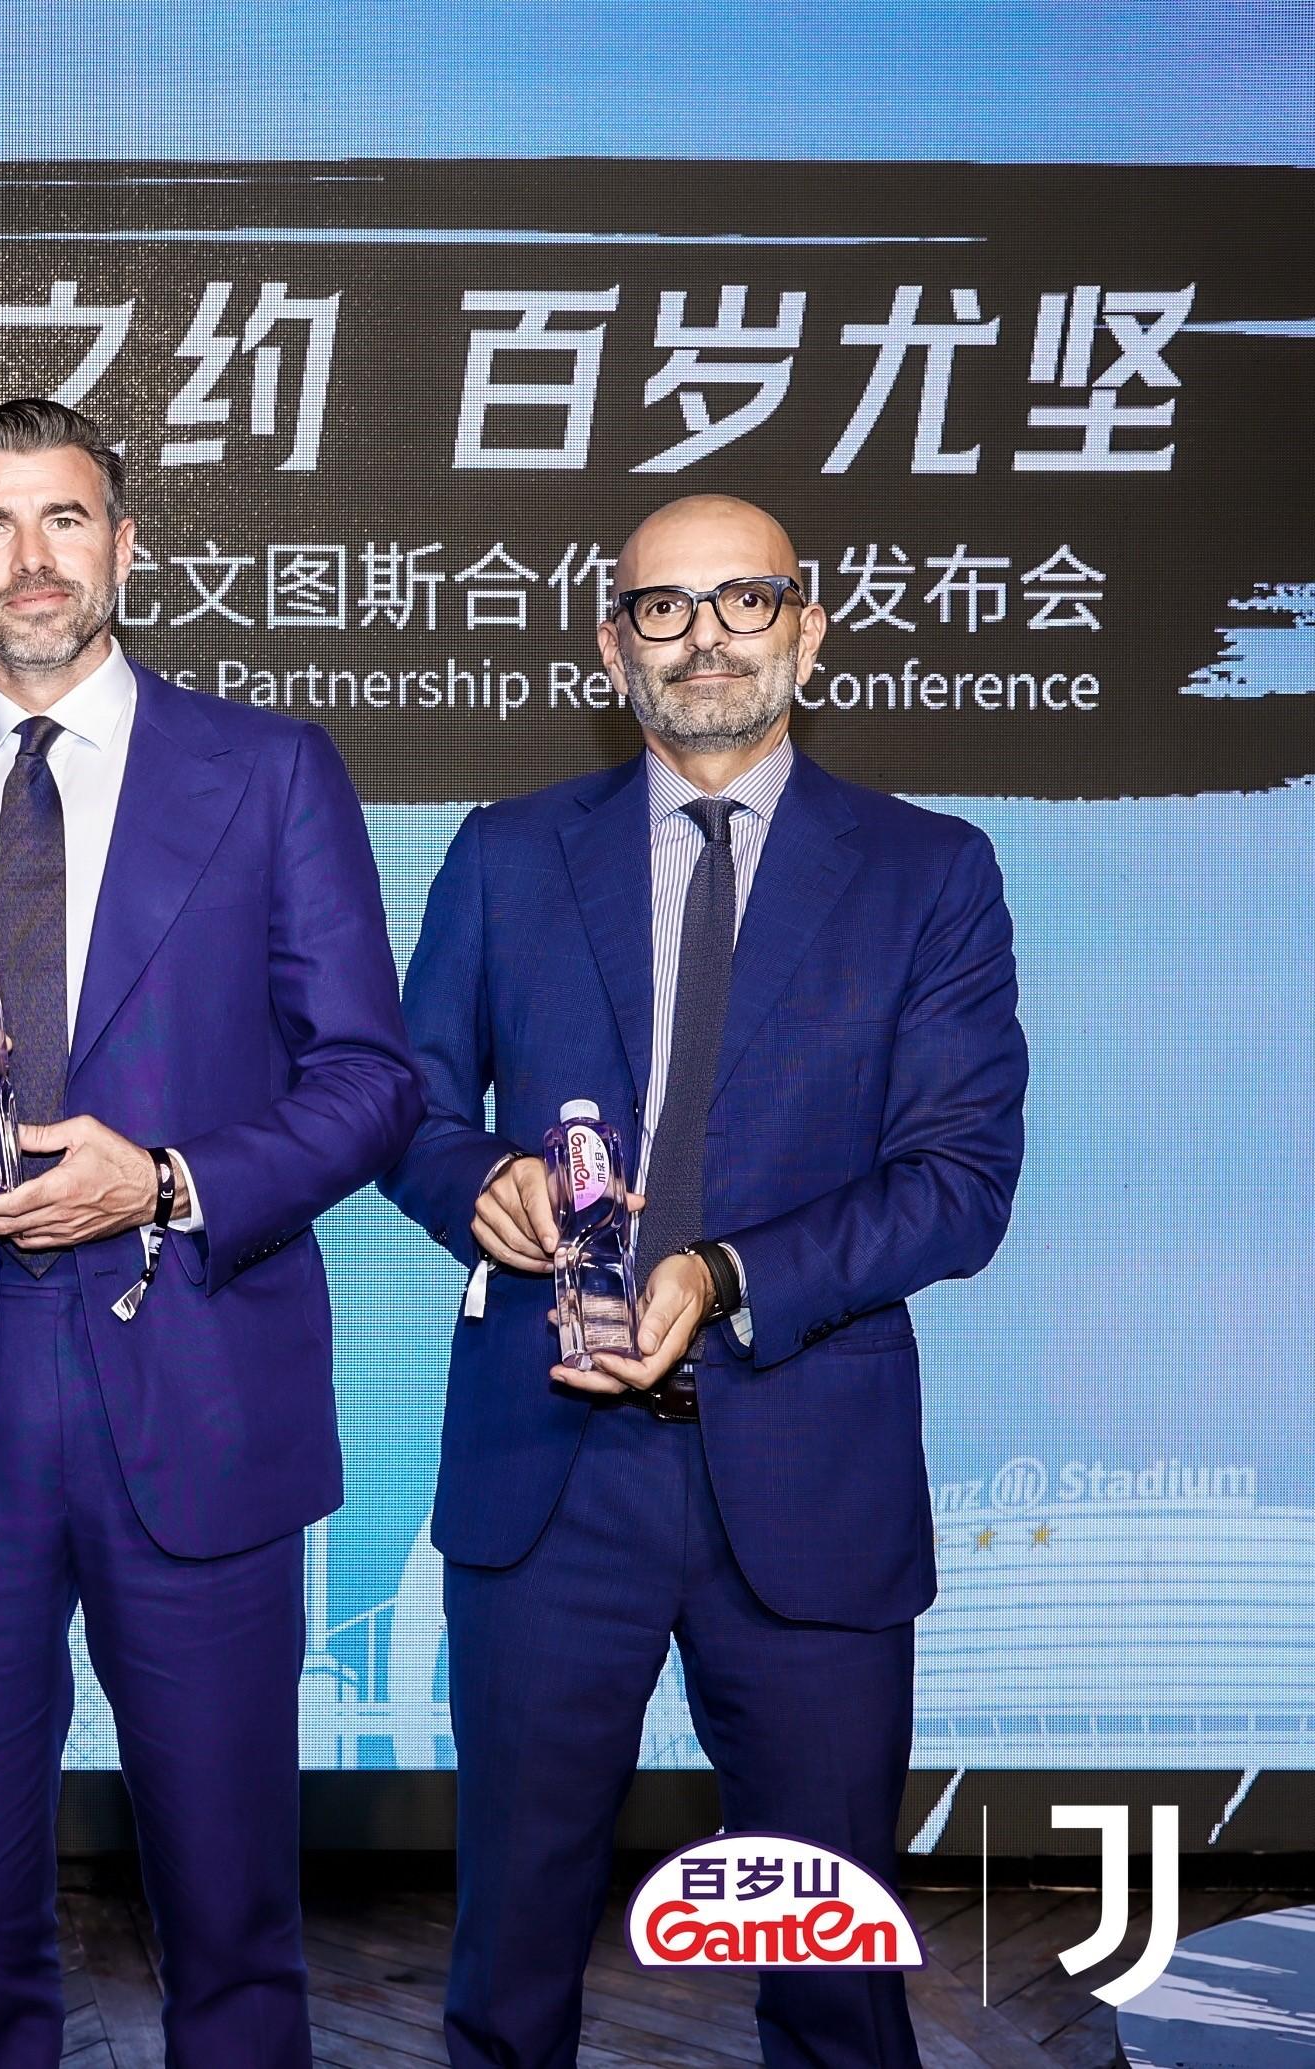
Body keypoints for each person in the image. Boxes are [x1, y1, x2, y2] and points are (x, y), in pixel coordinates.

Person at [0, 397, 419, 2068]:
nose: (31, 556)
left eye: (63, 516)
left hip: (197, 1384)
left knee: (229, 1913)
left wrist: (166, 1180)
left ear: (124, 546)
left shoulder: (268, 770)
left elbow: (371, 1080)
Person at [379, 494, 1026, 2069]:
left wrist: (726, 1274)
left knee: (828, 1972)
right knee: (507, 1963)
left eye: (744, 600)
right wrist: (478, 1182)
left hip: (807, 1470)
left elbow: (957, 1183)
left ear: (808, 628)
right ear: (611, 650)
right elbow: (399, 1109)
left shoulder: (929, 872)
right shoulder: (504, 854)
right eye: (659, 609)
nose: (705, 637)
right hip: (545, 1473)